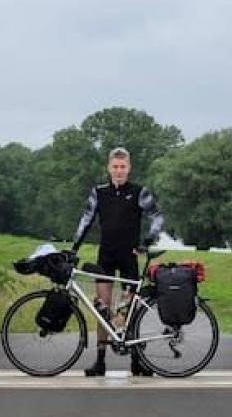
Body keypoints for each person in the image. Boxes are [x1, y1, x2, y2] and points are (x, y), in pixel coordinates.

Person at [71, 146, 163, 377]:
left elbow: (157, 217)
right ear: (108, 168)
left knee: (128, 309)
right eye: (115, 167)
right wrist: (74, 248)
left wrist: (148, 240)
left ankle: (135, 360)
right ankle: (100, 361)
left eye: (123, 167)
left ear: (129, 168)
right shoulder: (99, 192)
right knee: (102, 309)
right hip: (107, 256)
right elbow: (86, 220)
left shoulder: (139, 192)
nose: (119, 171)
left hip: (129, 256)